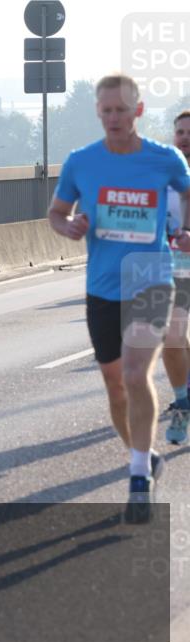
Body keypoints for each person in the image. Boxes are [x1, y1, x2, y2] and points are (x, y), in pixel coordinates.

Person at [48, 75, 190, 522]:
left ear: (138, 111)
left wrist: (186, 229)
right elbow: (56, 212)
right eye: (106, 110)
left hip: (151, 276)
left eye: (122, 110)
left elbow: (187, 193)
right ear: (98, 112)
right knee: (114, 383)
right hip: (102, 286)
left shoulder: (165, 159)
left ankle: (137, 478)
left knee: (134, 373)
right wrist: (68, 227)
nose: (114, 118)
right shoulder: (81, 162)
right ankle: (143, 456)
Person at [162, 110, 190, 444]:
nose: (185, 138)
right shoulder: (163, 175)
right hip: (175, 266)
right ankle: (184, 402)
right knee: (172, 337)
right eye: (180, 132)